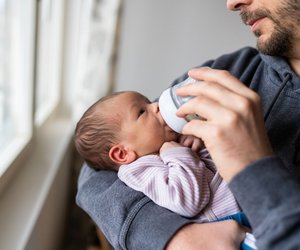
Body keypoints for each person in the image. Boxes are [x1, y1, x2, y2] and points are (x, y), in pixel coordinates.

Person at [76, 0, 300, 249]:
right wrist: (174, 237)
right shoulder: (232, 70)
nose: (231, 3)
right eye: (143, 110)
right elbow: (95, 172)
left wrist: (251, 166)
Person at [74, 91, 256, 249]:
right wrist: (179, 153)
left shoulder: (170, 144)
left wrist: (199, 144)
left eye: (148, 102)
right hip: (227, 229)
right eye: (141, 112)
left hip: (250, 210)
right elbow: (187, 201)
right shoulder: (140, 170)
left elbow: (214, 167)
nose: (156, 105)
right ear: (123, 154)